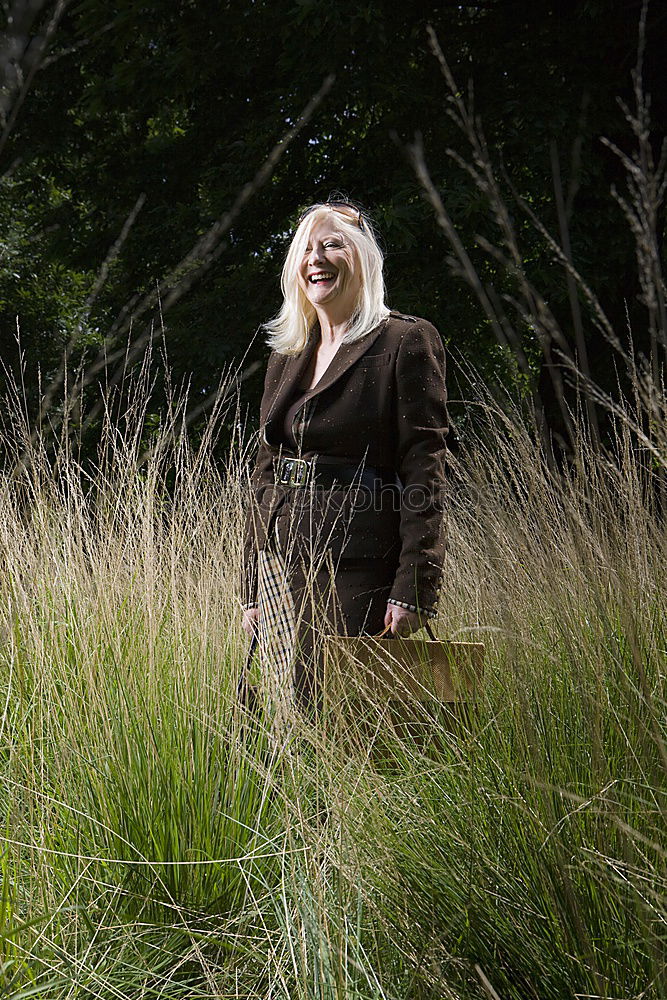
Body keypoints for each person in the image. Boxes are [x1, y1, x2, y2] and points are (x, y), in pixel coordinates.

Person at [240, 197, 448, 711]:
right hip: (280, 564)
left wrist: (414, 585)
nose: (318, 258)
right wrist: (251, 577)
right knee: (266, 723)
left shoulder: (405, 340)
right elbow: (267, 466)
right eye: (307, 249)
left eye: (333, 244)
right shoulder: (288, 354)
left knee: (339, 725)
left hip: (358, 567)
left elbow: (424, 465)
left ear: (363, 258)